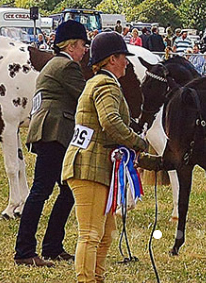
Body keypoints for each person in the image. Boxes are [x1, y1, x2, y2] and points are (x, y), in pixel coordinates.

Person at [62, 31, 162, 283]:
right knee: (91, 234)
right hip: (89, 166)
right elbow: (111, 122)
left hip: (95, 166)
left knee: (105, 233)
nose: (127, 62)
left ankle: (97, 278)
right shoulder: (106, 84)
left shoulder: (99, 83)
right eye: (123, 57)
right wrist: (140, 143)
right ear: (110, 59)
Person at [14, 21, 90, 267]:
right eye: (82, 45)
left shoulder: (54, 64)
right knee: (41, 192)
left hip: (51, 132)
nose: (85, 50)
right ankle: (25, 250)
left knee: (65, 190)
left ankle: (52, 246)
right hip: (54, 133)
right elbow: (87, 98)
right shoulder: (67, 66)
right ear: (71, 45)